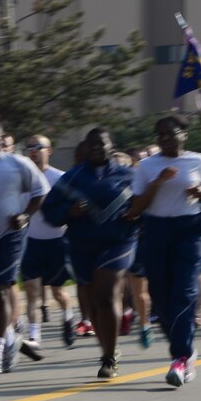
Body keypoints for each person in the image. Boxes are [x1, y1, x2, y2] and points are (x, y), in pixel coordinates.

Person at [129, 116, 201, 386]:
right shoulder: (147, 166)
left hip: (189, 229)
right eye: (160, 135)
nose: (165, 139)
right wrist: (156, 183)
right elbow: (135, 208)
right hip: (156, 230)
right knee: (160, 297)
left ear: (184, 135)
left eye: (171, 134)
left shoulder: (198, 160)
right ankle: (187, 350)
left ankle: (180, 358)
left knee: (184, 292)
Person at [46, 128, 139, 378]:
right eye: (92, 144)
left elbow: (145, 203)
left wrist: (137, 215)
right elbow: (49, 211)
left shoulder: (129, 175)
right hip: (82, 244)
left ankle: (109, 357)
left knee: (107, 293)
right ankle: (107, 349)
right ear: (86, 148)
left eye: (103, 143)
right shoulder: (72, 178)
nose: (97, 147)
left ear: (112, 146)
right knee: (95, 302)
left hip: (119, 242)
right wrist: (69, 210)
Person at [0, 119, 45, 375]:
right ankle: (11, 338)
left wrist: (25, 215)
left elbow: (39, 191)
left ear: (1, 138)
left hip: (10, 235)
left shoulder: (17, 164)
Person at [17, 135, 75, 350]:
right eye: (29, 147)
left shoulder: (60, 178)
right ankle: (34, 338)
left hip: (57, 242)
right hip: (30, 242)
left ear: (49, 151)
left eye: (38, 147)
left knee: (57, 292)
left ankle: (68, 318)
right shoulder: (22, 179)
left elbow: (71, 209)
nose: (33, 150)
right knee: (32, 293)